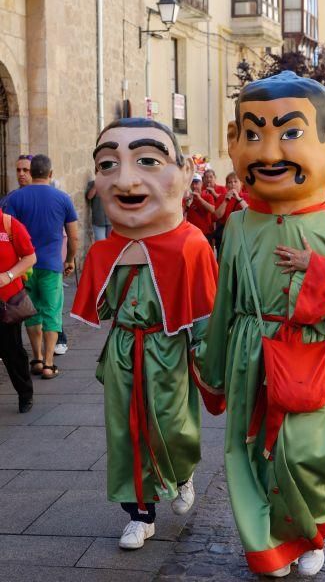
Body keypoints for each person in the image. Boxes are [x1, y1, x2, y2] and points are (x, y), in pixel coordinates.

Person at [200, 72, 325, 577]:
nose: (268, 151)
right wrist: (213, 370)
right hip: (251, 352)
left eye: (290, 133)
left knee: (304, 456)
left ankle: (310, 533)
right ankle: (266, 545)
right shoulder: (236, 223)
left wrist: (319, 276)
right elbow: (224, 302)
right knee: (249, 452)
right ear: (234, 142)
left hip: (310, 354)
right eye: (252, 135)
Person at [71, 117, 218, 551]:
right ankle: (139, 515)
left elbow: (205, 309)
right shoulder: (105, 249)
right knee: (125, 432)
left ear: (182, 172)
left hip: (169, 346)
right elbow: (98, 304)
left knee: (172, 426)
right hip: (124, 347)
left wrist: (207, 357)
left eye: (148, 160)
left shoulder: (191, 243)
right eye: (108, 164)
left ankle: (183, 470)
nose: (126, 178)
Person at [5, 154, 79, 379]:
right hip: (51, 265)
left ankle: (36, 358)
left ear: (30, 172)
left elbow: (5, 234)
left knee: (32, 313)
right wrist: (70, 260)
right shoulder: (63, 198)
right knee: (52, 313)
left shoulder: (13, 199)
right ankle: (48, 364)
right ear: (50, 174)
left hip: (24, 267)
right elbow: (73, 237)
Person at [0, 209, 37, 412]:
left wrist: (9, 275)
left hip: (7, 300)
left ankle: (25, 394)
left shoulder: (9, 224)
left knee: (11, 350)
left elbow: (30, 257)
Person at [213, 171, 249, 257]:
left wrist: (239, 198)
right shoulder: (222, 197)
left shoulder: (247, 196)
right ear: (226, 185)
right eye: (230, 182)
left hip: (242, 235)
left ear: (241, 184)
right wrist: (225, 201)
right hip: (225, 236)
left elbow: (249, 212)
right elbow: (217, 216)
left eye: (235, 181)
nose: (233, 184)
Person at [183, 173, 215, 244]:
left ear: (201, 184)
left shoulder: (208, 196)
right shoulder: (187, 199)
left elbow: (213, 210)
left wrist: (200, 199)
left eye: (196, 183)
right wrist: (186, 205)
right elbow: (182, 215)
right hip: (191, 233)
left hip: (205, 233)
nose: (194, 186)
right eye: (192, 184)